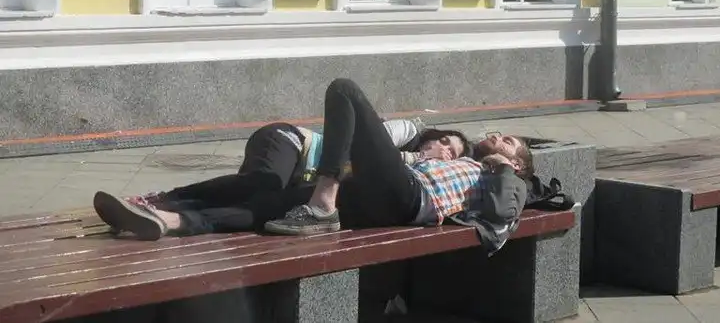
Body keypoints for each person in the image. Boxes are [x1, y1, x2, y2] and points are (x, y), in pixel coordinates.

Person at [92, 114, 472, 241]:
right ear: (433, 135)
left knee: (256, 201)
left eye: (452, 154)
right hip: (291, 142)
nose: (444, 151)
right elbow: (360, 145)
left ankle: (153, 216)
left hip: (295, 180)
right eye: (444, 141)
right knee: (263, 184)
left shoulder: (413, 179)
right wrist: (413, 152)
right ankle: (160, 198)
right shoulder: (405, 135)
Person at [264, 79, 534, 254]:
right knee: (272, 204)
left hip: (410, 195)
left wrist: (504, 167)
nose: (498, 137)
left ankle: (323, 205)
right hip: (387, 195)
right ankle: (235, 211)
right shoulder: (473, 163)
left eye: (508, 142)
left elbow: (502, 211)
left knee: (344, 90)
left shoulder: (515, 182)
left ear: (517, 163)